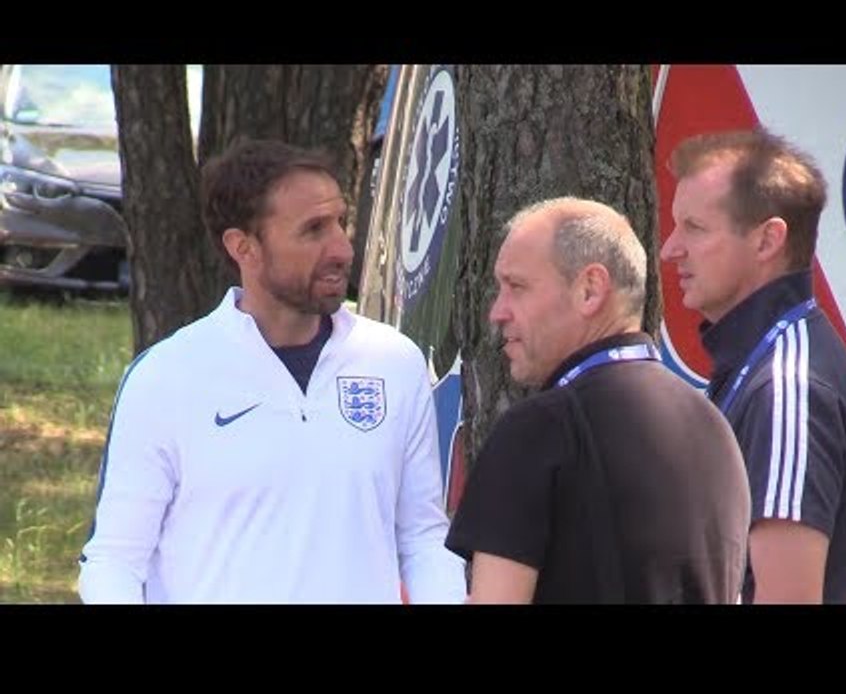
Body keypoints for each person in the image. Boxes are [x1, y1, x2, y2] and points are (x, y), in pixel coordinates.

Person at [78, 139, 466, 604]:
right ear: (244, 247)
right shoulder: (166, 376)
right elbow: (114, 561)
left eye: (340, 222)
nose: (342, 248)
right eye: (314, 230)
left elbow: (422, 536)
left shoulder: (394, 363)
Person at [444, 197, 750, 604]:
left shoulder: (538, 431)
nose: (498, 312)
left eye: (516, 287)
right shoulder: (714, 427)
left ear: (590, 290)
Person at [661, 127, 846, 604]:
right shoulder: (762, 364)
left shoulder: (788, 390)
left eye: (695, 228)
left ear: (767, 241)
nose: (670, 249)